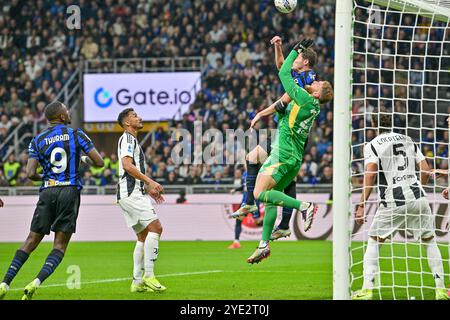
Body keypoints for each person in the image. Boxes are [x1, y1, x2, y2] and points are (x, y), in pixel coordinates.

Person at [0, 101, 104, 300]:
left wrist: (47, 177)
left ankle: (4, 283)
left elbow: (30, 174)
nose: (69, 111)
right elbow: (99, 162)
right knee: (59, 246)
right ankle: (35, 283)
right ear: (62, 116)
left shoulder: (37, 140)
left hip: (47, 191)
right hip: (69, 191)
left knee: (30, 241)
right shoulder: (77, 134)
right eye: (67, 109)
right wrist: (82, 161)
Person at [246, 39, 334, 264]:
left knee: (258, 194)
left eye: (318, 83)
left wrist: (296, 48)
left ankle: (304, 206)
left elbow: (284, 74)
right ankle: (264, 245)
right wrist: (280, 49)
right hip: (294, 157)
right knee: (272, 200)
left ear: (316, 94)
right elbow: (284, 70)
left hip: (282, 153)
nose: (315, 81)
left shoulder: (304, 97)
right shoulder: (309, 99)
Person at [352, 113, 449, 300]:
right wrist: (419, 185)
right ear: (392, 123)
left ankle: (367, 289)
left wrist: (362, 203)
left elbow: (370, 174)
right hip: (418, 198)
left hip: (392, 201)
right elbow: (427, 171)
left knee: (374, 241)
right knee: (430, 241)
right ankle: (440, 289)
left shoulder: (372, 145)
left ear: (373, 125)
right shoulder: (408, 139)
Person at [232, 35, 319, 239]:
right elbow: (282, 66)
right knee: (256, 161)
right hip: (285, 131)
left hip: (291, 136)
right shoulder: (300, 76)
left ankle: (260, 208)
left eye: (297, 57)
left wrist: (268, 111)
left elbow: (286, 90)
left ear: (304, 61)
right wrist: (279, 48)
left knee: (277, 177)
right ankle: (260, 210)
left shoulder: (309, 79)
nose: (294, 60)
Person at [116, 108, 166, 293]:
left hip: (129, 193)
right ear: (127, 122)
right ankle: (149, 275)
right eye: (135, 116)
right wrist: (150, 181)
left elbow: (129, 169)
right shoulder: (128, 139)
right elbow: (127, 166)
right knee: (156, 228)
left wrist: (146, 188)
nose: (140, 118)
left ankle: (137, 282)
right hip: (131, 194)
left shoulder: (131, 140)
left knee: (143, 236)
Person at [228, 168, 262, 249]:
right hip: (244, 202)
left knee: (257, 222)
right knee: (238, 219)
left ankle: (271, 230)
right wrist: (235, 190)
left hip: (254, 201)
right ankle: (236, 242)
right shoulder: (244, 174)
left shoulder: (257, 173)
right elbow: (244, 186)